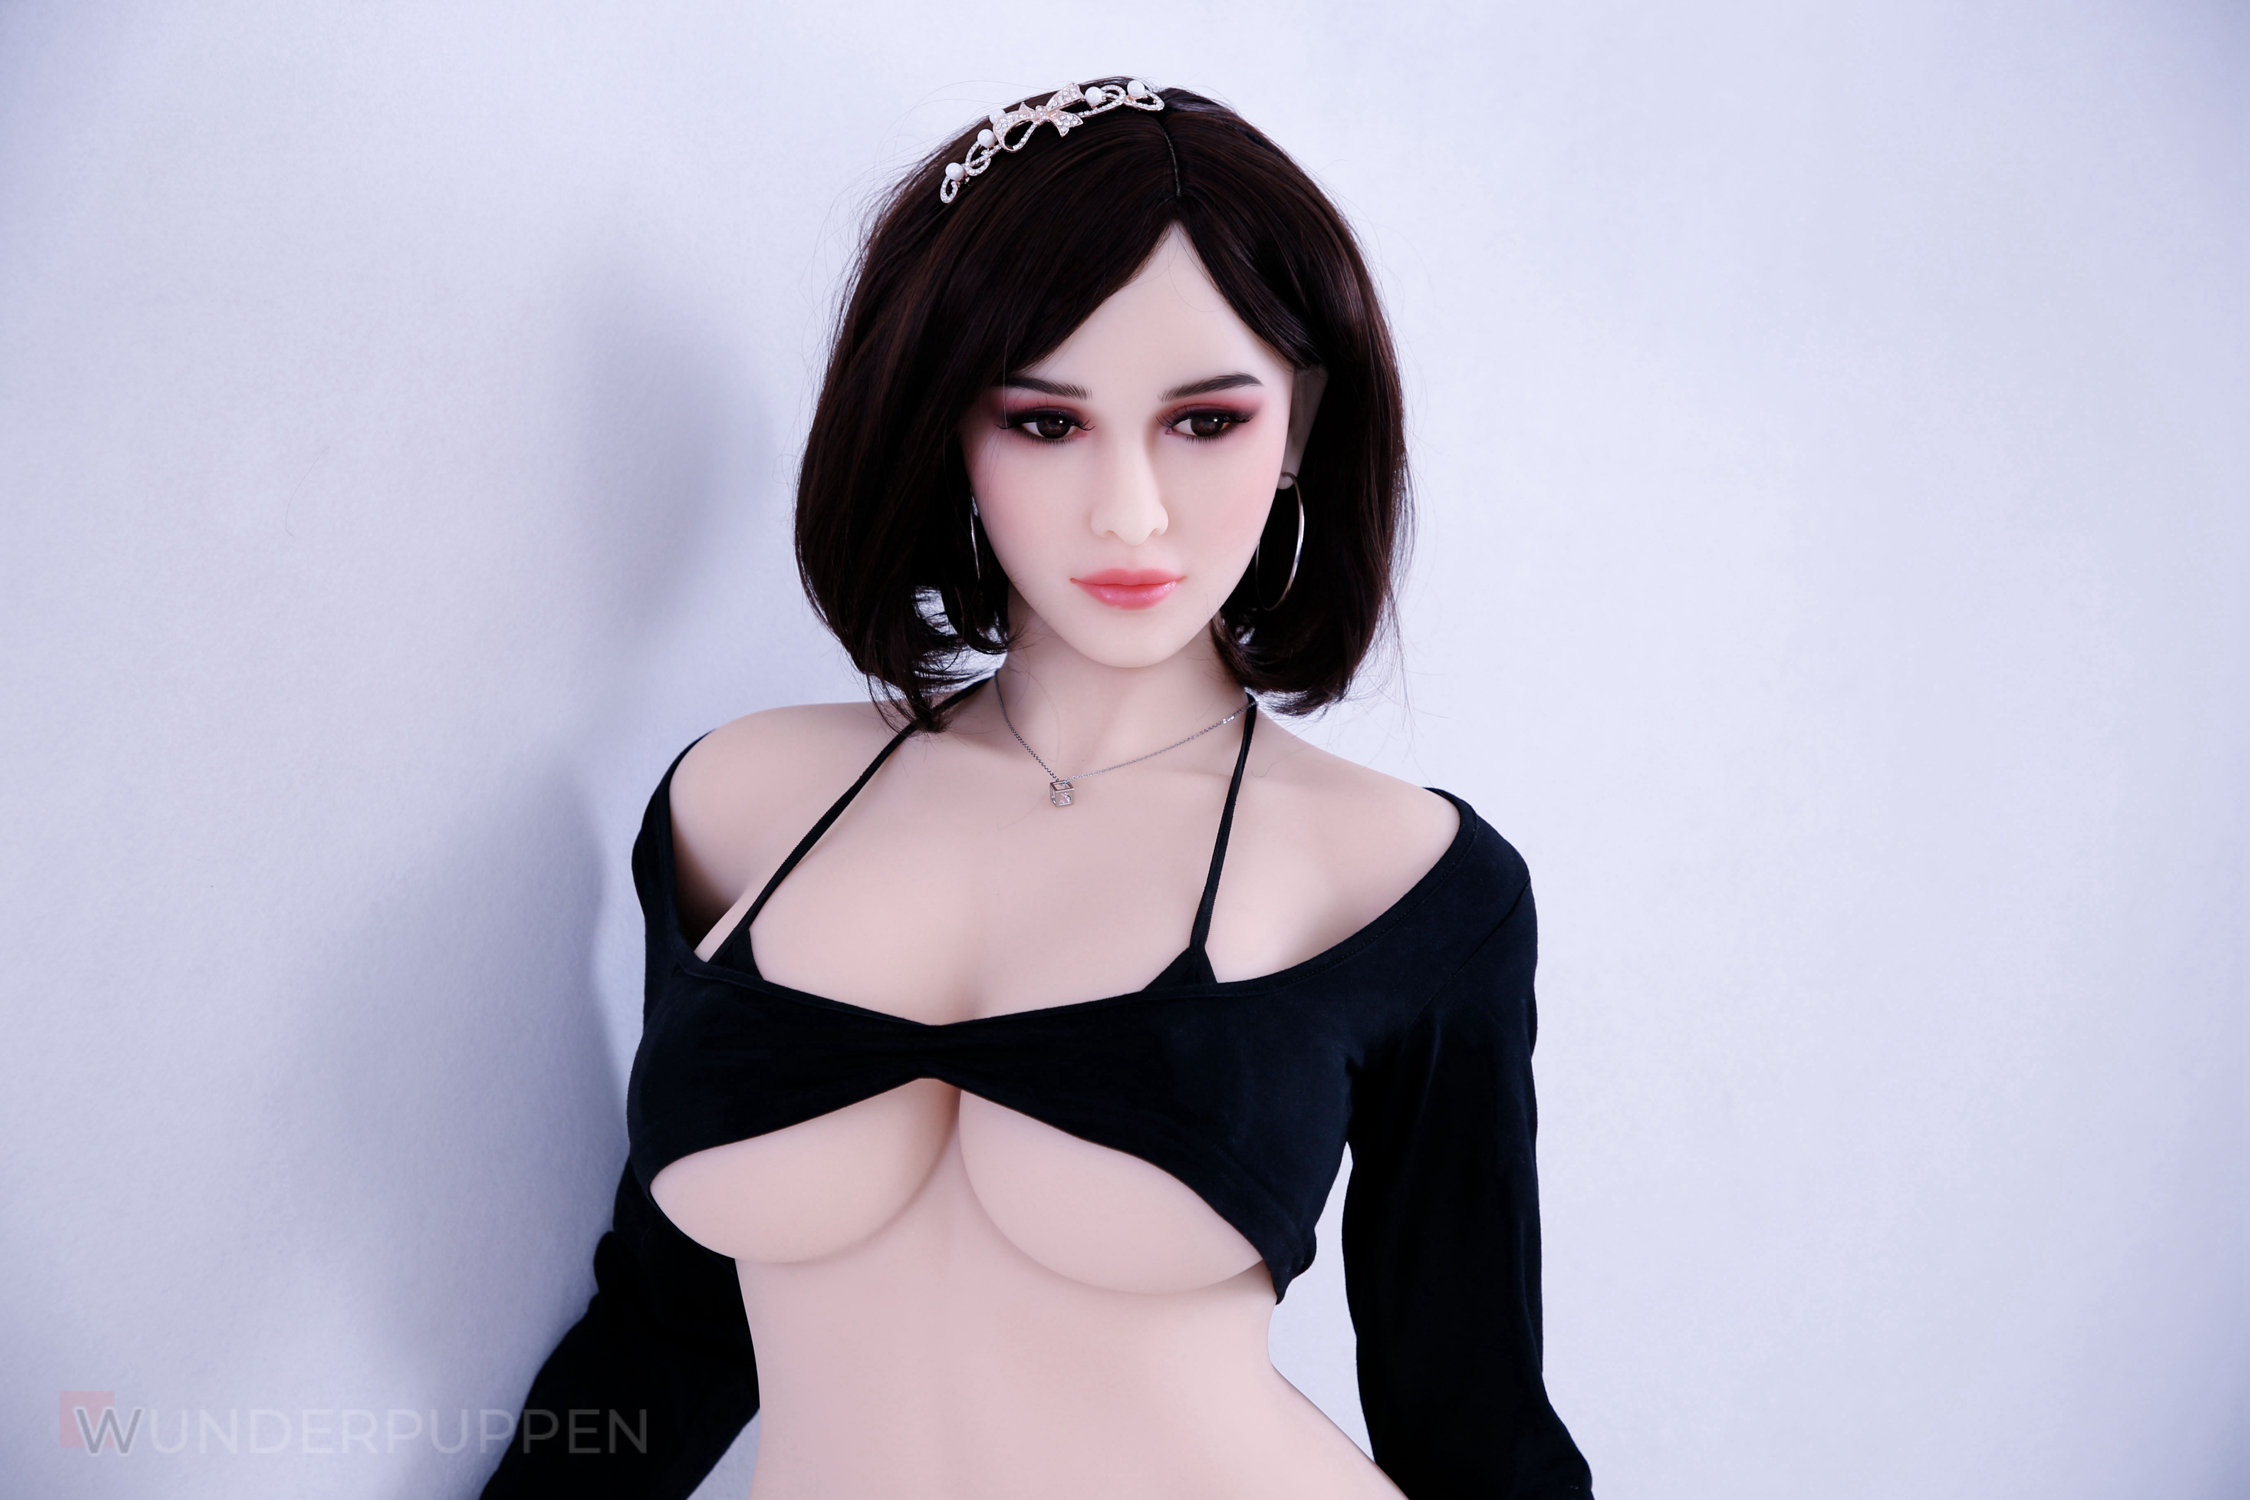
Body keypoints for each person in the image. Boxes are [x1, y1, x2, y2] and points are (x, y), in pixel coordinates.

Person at [483, 78, 1593, 1499]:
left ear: (1303, 428)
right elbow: (669, 1330)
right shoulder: (740, 803)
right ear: (946, 424)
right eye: (1046, 423)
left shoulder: (1403, 880)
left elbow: (1472, 1421)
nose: (1130, 513)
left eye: (1206, 422)